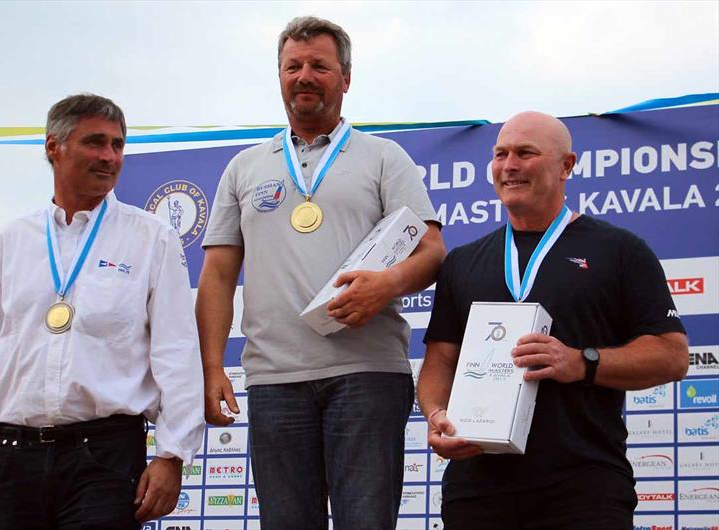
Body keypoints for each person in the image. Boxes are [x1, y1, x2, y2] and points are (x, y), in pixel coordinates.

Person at [196, 16, 445, 530]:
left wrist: (389, 284)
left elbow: (431, 251)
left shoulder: (384, 157)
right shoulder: (245, 167)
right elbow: (218, 276)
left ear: (345, 79)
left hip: (368, 373)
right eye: (293, 66)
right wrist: (213, 367)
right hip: (275, 378)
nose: (304, 75)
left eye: (319, 66)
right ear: (280, 76)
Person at [0, 93, 205, 529]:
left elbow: (175, 352)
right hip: (14, 456)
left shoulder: (151, 238)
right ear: (53, 147)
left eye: (117, 145)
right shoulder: (8, 241)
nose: (109, 156)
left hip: (105, 454)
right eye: (95, 142)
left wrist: (172, 455)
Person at [417, 111, 689, 529]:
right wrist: (436, 415)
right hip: (476, 488)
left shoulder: (621, 251)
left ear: (567, 166)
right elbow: (440, 362)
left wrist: (582, 362)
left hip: (583, 486)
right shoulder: (462, 263)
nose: (509, 165)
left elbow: (672, 356)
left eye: (526, 153)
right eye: (500, 154)